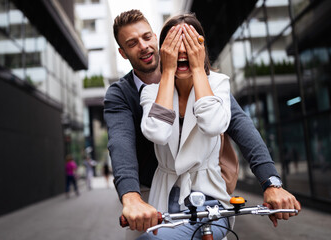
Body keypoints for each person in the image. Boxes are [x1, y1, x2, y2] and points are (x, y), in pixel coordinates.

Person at [104, 9, 300, 239]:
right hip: (147, 189)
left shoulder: (213, 83)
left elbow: (241, 126)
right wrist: (130, 196)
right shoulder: (131, 93)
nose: (144, 46)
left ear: (156, 39)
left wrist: (271, 182)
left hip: (206, 190)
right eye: (132, 43)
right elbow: (121, 143)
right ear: (123, 53)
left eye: (147, 37)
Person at [138, 14, 232, 239]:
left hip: (210, 200)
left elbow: (213, 125)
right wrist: (168, 71)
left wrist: (199, 69)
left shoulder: (218, 84)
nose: (182, 51)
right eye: (174, 45)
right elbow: (157, 132)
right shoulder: (152, 92)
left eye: (189, 44)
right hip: (166, 197)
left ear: (201, 49)